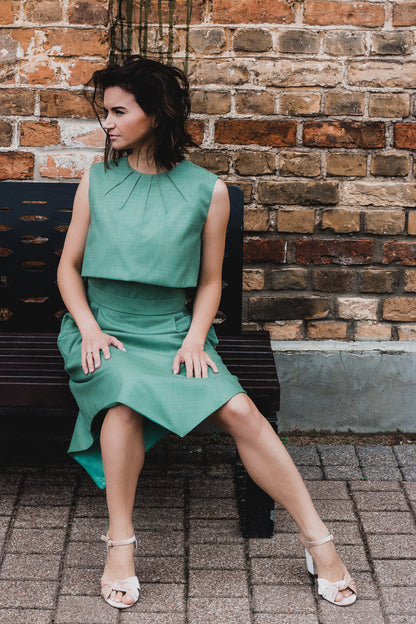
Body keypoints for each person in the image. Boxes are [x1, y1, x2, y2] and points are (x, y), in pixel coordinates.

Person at [57, 55, 357, 610]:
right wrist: (89, 328)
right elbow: (67, 269)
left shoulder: (207, 191)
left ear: (156, 113)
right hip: (104, 330)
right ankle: (120, 545)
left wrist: (195, 338)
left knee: (243, 411)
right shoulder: (96, 178)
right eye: (106, 113)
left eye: (119, 111)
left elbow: (212, 282)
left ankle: (319, 539)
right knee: (121, 404)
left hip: (174, 329)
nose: (108, 124)